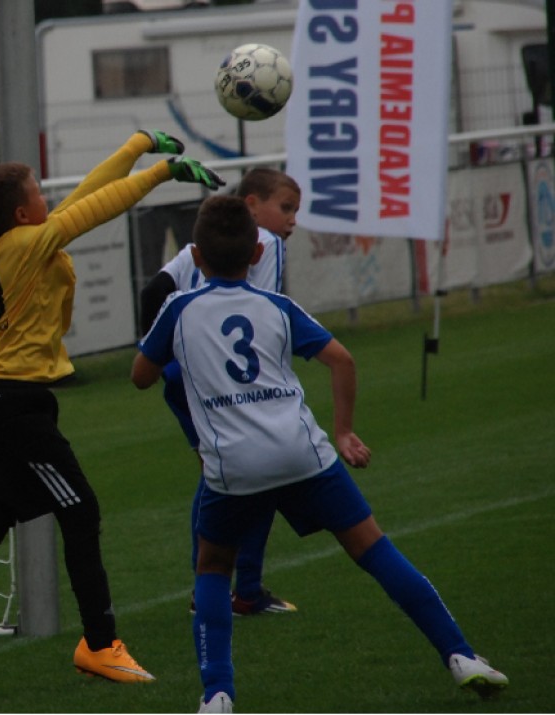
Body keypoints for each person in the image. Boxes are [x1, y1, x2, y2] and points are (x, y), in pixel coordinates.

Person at [0, 130, 223, 692]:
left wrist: (136, 147)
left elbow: (85, 197)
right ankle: (100, 644)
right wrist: (161, 173)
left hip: (7, 401)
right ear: (20, 212)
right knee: (80, 509)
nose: (47, 198)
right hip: (15, 409)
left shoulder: (21, 241)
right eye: (37, 192)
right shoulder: (22, 245)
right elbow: (94, 209)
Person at [131, 195, 508, 713]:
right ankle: (460, 655)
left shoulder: (179, 309)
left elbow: (141, 376)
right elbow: (341, 359)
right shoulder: (277, 307)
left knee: (214, 567)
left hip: (234, 465)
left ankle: (217, 694)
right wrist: (345, 431)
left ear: (196, 257)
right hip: (301, 452)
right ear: (256, 254)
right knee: (374, 549)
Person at [139, 168, 301, 616]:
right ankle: (236, 590)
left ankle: (226, 588)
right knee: (254, 475)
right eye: (286, 207)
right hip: (227, 380)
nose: (292, 219)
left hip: (185, 375)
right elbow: (259, 315)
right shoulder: (266, 244)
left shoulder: (200, 244)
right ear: (252, 205)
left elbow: (154, 291)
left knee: (222, 475)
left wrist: (163, 360)